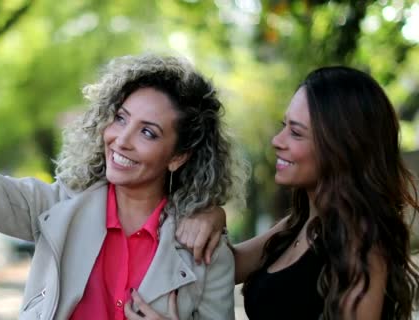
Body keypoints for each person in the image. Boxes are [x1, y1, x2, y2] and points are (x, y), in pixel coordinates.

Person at [0, 39, 248, 319]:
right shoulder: (57, 210)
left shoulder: (203, 251)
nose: (120, 140)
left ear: (178, 157)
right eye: (121, 119)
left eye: (148, 132)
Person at [138, 66, 419, 320]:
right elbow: (223, 267)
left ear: (342, 148)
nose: (277, 141)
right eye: (284, 126)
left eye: (296, 133)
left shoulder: (363, 246)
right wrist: (214, 216)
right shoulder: (301, 225)